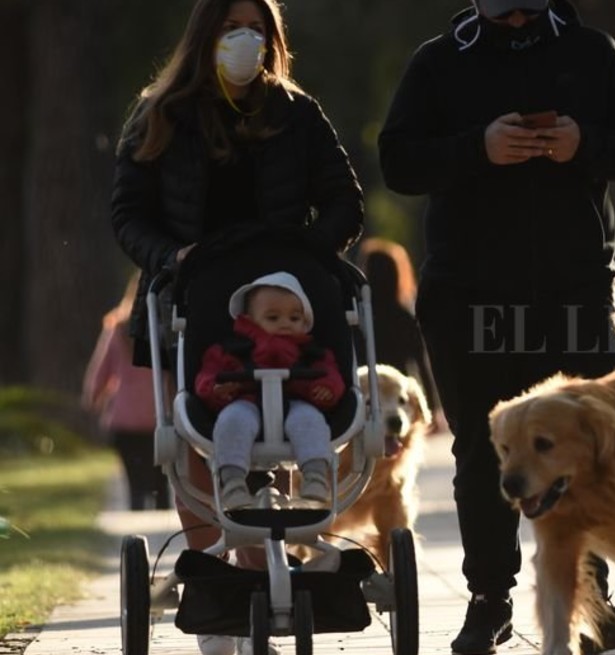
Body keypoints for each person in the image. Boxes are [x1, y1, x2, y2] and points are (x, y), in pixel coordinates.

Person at [378, 0, 615, 652]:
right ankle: (490, 600)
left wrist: (581, 142)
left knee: (584, 446)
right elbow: (398, 162)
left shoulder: (593, 53)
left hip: (576, 292)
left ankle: (591, 593)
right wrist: (478, 148)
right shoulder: (439, 62)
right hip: (467, 296)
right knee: (483, 450)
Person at [109, 0, 363, 652]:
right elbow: (129, 214)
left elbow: (344, 199)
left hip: (284, 301)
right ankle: (219, 587)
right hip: (188, 303)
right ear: (206, 37)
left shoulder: (298, 114)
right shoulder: (161, 114)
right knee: (198, 443)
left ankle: (263, 574)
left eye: (255, 27)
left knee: (273, 435)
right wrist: (172, 257)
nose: (243, 39)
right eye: (229, 28)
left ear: (273, 38)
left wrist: (310, 253)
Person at [194, 272, 344, 509]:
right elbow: (208, 374)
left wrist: (326, 389)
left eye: (294, 318)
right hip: (246, 400)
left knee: (310, 420)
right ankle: (233, 483)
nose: (285, 323)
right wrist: (216, 389)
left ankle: (315, 475)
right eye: (273, 317)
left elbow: (331, 375)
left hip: (295, 402)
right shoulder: (232, 349)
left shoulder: (312, 352)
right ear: (250, 321)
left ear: (305, 322)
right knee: (232, 421)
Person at [83, 271, 173, 511]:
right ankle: (163, 536)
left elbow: (101, 370)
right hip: (159, 418)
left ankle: (136, 526)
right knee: (161, 482)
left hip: (124, 420)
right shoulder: (166, 329)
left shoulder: (118, 328)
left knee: (136, 484)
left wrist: (93, 397)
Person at [355, 238, 440, 427]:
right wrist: (433, 409)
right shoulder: (405, 318)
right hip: (397, 396)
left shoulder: (360, 316)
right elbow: (422, 365)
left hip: (365, 393)